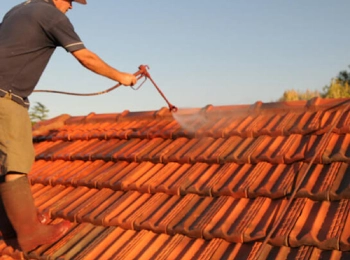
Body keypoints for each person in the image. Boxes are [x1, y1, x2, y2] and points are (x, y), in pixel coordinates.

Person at [0, 0, 137, 252]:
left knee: (2, 163)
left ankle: (12, 226)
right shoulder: (50, 15)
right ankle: (30, 234)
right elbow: (86, 58)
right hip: (5, 99)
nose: (72, 6)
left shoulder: (17, 10)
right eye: (71, 1)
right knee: (16, 162)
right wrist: (123, 77)